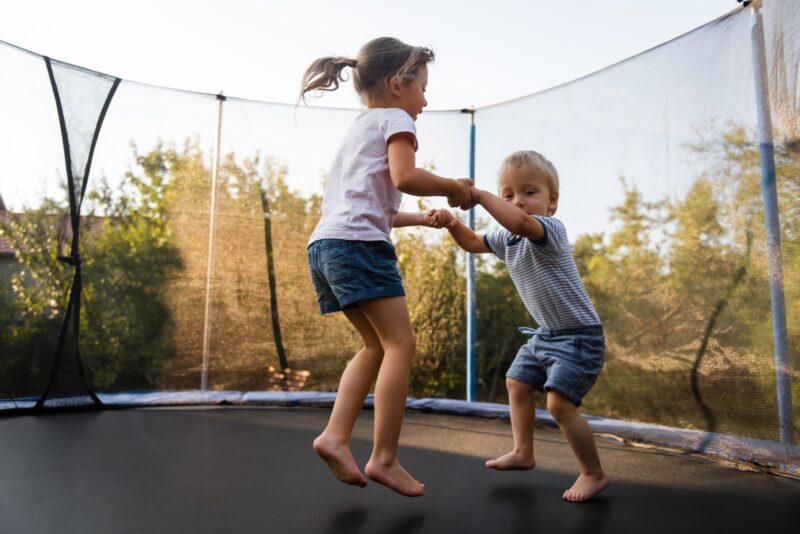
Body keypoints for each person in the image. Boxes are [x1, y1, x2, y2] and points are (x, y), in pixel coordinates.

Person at [300, 37, 473, 497]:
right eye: (422, 87)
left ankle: (335, 437)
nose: (425, 100)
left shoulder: (358, 130)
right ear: (398, 85)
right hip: (358, 246)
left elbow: (378, 206)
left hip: (326, 245)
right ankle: (384, 457)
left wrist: (423, 218)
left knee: (375, 346)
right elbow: (405, 177)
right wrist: (453, 187)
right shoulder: (396, 119)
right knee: (401, 345)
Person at [428, 150, 609, 502]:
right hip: (545, 334)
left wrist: (480, 195)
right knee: (516, 382)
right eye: (508, 194)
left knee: (558, 405)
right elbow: (472, 243)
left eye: (529, 192)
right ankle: (523, 453)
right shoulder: (504, 239)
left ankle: (593, 472)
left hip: (578, 337)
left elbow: (520, 223)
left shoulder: (550, 230)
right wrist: (452, 224)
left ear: (551, 201)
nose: (518, 202)